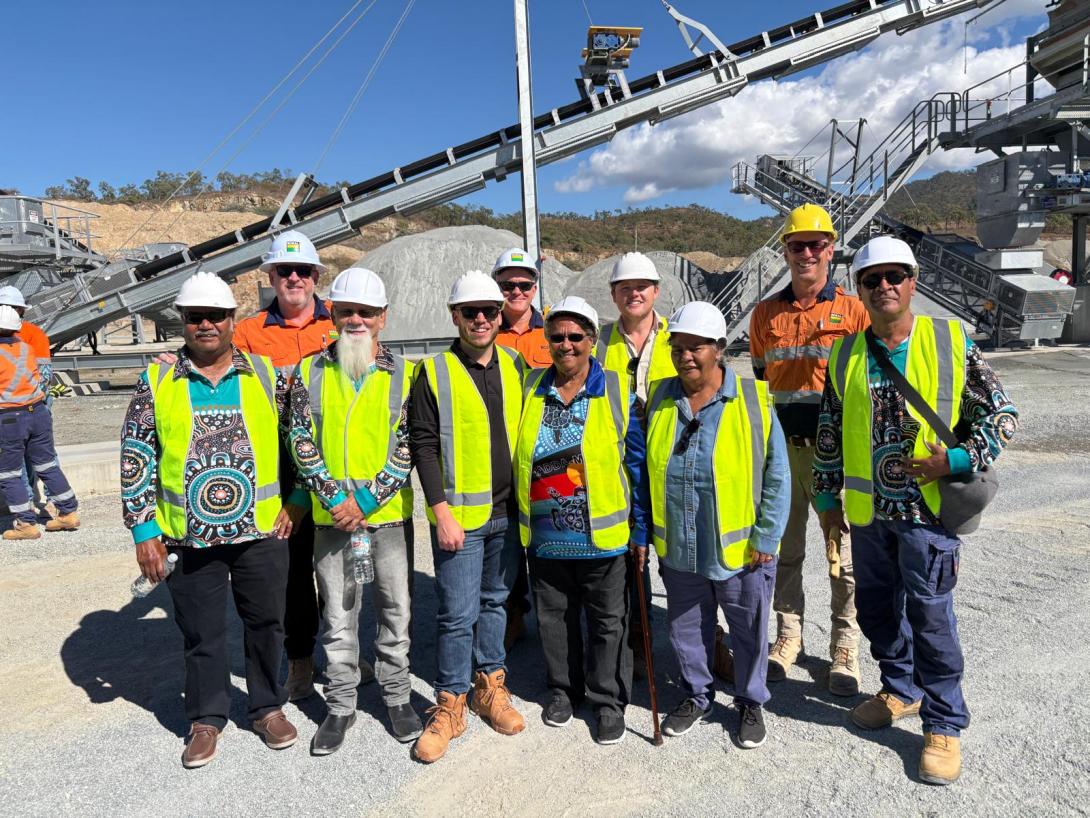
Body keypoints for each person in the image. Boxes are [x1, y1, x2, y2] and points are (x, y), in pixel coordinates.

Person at [121, 272, 364, 768]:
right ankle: (206, 719)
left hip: (261, 532)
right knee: (202, 632)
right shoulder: (158, 380)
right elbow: (137, 455)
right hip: (188, 536)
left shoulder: (267, 375)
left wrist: (298, 496)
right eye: (195, 318)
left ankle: (267, 706)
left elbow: (298, 440)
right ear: (184, 323)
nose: (205, 325)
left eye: (215, 316)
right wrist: (145, 530)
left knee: (266, 625)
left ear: (234, 321)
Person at [814, 236, 1017, 785]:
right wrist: (828, 501)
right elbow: (830, 431)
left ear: (913, 280)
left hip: (927, 516)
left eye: (894, 276)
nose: (884, 286)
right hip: (868, 514)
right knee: (877, 610)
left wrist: (953, 457)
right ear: (858, 288)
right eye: (871, 279)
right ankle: (900, 689)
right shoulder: (846, 352)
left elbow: (1002, 416)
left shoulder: (950, 341)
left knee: (930, 618)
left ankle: (944, 720)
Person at [645, 301, 789, 749]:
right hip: (680, 546)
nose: (685, 355)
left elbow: (777, 473)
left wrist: (767, 535)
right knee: (687, 627)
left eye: (696, 347)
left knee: (748, 628)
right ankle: (696, 694)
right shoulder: (659, 398)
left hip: (740, 547)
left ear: (720, 349)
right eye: (678, 347)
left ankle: (749, 700)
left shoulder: (752, 398)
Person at [290, 266, 422, 753]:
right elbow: (300, 440)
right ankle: (341, 705)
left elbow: (407, 445)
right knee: (339, 618)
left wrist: (366, 500)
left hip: (384, 519)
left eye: (366, 312)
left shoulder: (406, 376)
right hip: (331, 521)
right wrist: (332, 498)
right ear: (332, 313)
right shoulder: (308, 371)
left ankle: (397, 696)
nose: (356, 321)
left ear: (382, 317)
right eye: (347, 311)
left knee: (396, 611)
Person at [515, 296, 649, 745]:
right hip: (547, 534)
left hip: (604, 535)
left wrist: (642, 529)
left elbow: (636, 463)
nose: (566, 345)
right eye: (557, 337)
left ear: (592, 340)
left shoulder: (614, 389)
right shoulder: (532, 386)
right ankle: (562, 690)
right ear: (547, 341)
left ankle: (608, 700)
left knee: (609, 621)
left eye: (576, 336)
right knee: (554, 617)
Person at [749, 203, 869, 694]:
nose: (806, 253)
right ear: (786, 252)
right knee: (785, 548)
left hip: (835, 453)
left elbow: (867, 382)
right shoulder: (766, 313)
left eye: (815, 245)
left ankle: (845, 646)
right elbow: (761, 379)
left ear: (830, 250)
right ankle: (789, 636)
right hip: (783, 450)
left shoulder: (853, 311)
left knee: (842, 553)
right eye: (797, 245)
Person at [409, 270, 527, 763]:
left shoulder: (517, 364)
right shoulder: (434, 372)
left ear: (501, 316)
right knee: (457, 614)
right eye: (470, 312)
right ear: (454, 316)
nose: (481, 319)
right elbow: (424, 443)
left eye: (490, 311)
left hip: (509, 512)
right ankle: (450, 703)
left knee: (496, 602)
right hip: (461, 515)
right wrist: (440, 512)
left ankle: (489, 687)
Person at [236, 230, 342, 702]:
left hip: (337, 457)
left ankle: (345, 650)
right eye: (284, 271)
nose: (294, 278)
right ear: (272, 277)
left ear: (317, 277)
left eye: (302, 271)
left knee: (342, 564)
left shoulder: (342, 323)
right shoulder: (247, 333)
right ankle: (300, 659)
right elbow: (211, 367)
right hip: (278, 462)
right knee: (294, 570)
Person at [594, 251, 677, 667]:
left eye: (641, 286)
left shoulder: (676, 335)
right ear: (613, 294)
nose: (634, 294)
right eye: (625, 288)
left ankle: (705, 642)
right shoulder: (600, 341)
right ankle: (638, 644)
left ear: (656, 291)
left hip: (672, 458)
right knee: (632, 554)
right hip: (624, 461)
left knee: (682, 555)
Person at [492, 247, 550, 649]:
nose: (516, 291)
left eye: (524, 284)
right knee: (507, 541)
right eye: (508, 284)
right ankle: (514, 611)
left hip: (547, 453)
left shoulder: (556, 331)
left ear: (534, 286)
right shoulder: (482, 329)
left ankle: (552, 616)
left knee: (547, 536)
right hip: (502, 452)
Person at [0, 305, 79, 540]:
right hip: (38, 413)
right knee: (47, 464)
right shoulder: (25, 348)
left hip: (10, 418)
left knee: (9, 472)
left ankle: (25, 524)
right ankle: (68, 512)